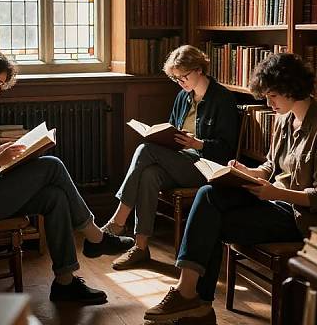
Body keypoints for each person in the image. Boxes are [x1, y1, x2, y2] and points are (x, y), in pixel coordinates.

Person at [144, 52, 317, 323]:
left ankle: (195, 301)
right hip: (273, 202)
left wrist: (275, 193)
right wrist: (247, 172)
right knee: (209, 194)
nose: (268, 103)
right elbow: (270, 166)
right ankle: (191, 297)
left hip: (302, 219)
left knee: (209, 223)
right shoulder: (285, 118)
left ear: (292, 88)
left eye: (273, 96)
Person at [0, 43, 134, 305]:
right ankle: (94, 236)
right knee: (52, 165)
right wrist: (0, 159)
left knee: (54, 196)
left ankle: (65, 283)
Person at [102, 45, 240, 270]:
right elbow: (172, 130)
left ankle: (118, 221)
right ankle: (140, 247)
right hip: (179, 162)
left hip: (206, 168)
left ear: (199, 69)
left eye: (183, 76)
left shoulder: (222, 99)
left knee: (146, 150)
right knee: (149, 174)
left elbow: (226, 151)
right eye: (175, 79)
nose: (180, 82)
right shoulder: (182, 97)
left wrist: (198, 143)